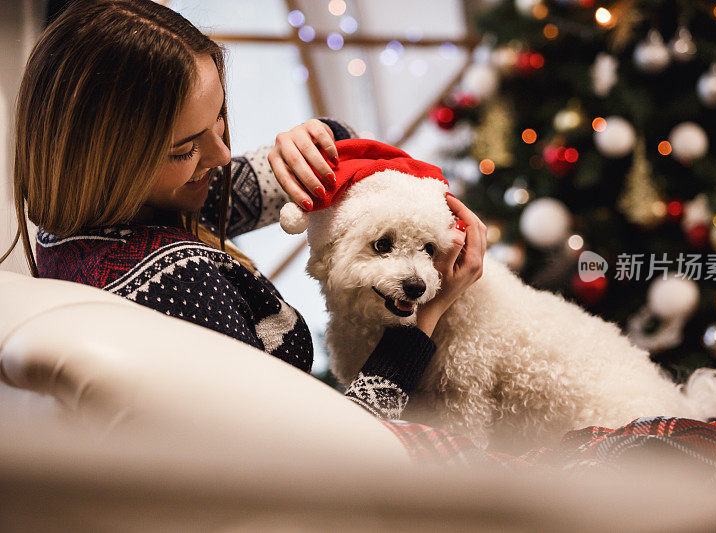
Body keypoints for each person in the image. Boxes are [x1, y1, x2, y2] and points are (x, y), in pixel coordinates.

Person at [3, 0, 486, 419]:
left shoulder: (92, 220)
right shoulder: (179, 283)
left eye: (220, 121)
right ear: (108, 161)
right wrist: (430, 314)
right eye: (184, 149)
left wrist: (307, 139)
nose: (219, 157)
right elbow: (320, 460)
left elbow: (335, 143)